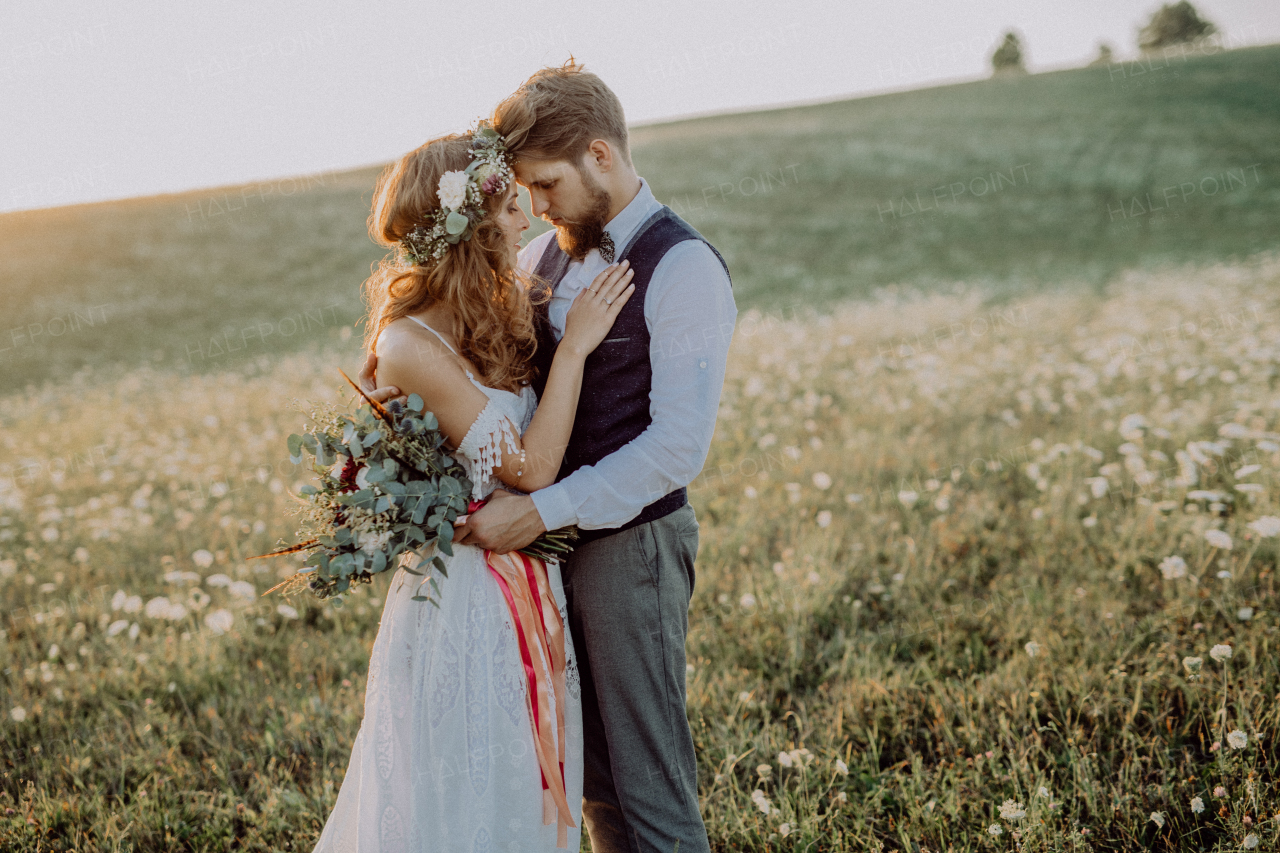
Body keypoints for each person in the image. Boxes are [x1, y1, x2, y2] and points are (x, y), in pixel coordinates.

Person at [367, 61, 738, 853]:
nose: (533, 209)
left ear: (599, 156)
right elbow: (463, 377)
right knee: (588, 786)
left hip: (629, 549)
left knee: (650, 788)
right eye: (522, 193)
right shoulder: (540, 264)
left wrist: (539, 509)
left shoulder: (686, 270)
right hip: (530, 568)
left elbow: (676, 447)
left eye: (544, 185)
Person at [314, 124, 636, 851]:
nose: (529, 219)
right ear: (472, 224)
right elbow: (528, 469)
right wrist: (578, 348)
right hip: (465, 598)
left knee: (521, 781)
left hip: (527, 577)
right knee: (465, 784)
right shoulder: (408, 344)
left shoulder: (491, 311)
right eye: (511, 206)